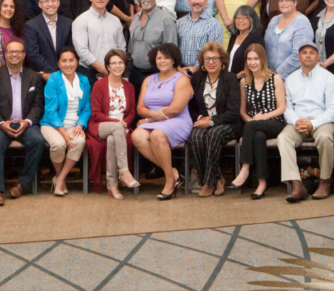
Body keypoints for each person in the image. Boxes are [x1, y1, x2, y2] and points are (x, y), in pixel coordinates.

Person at [0, 39, 46, 202]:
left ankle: (22, 185)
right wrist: (1, 124)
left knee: (38, 141)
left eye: (18, 51)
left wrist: (28, 122)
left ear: (24, 55)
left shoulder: (34, 77)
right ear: (5, 55)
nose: (15, 54)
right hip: (2, 124)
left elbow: (38, 106)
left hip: (26, 124)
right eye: (11, 51)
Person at [280, 42, 334, 202]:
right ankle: (296, 184)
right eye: (304, 52)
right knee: (283, 138)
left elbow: (333, 109)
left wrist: (313, 123)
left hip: (322, 120)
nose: (308, 55)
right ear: (299, 57)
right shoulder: (290, 79)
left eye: (312, 53)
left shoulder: (328, 78)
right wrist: (296, 121)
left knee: (325, 137)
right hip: (298, 121)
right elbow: (287, 107)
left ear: (318, 57)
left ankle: (325, 181)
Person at [132, 44, 194, 200]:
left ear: (174, 60)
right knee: (137, 135)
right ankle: (173, 173)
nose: (162, 61)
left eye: (166, 57)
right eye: (159, 57)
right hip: (155, 120)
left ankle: (168, 182)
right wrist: (151, 116)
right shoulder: (149, 79)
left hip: (177, 120)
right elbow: (140, 107)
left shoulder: (182, 79)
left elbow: (176, 108)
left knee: (157, 135)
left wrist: (149, 118)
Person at [227, 43, 286, 198]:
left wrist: (263, 117)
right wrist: (250, 120)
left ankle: (245, 168)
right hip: (253, 125)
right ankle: (262, 183)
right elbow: (242, 111)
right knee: (258, 136)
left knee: (253, 127)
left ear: (263, 60)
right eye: (249, 59)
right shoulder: (244, 82)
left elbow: (282, 108)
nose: (252, 62)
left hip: (275, 122)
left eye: (256, 58)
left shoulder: (275, 78)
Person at [187, 42, 241, 197]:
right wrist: (200, 118)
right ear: (202, 62)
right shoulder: (197, 78)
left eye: (215, 58)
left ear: (222, 61)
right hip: (201, 122)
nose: (211, 62)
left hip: (227, 124)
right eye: (207, 59)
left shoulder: (230, 79)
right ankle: (215, 179)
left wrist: (211, 121)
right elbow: (189, 107)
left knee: (213, 134)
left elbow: (233, 111)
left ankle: (208, 183)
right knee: (196, 136)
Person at [86, 49, 140, 198]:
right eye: (113, 63)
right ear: (108, 66)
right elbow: (96, 113)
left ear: (124, 65)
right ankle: (124, 171)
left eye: (120, 63)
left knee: (112, 139)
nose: (117, 66)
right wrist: (116, 122)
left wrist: (125, 122)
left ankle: (112, 185)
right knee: (115, 130)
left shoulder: (128, 87)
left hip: (121, 127)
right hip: (100, 125)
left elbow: (132, 113)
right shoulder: (99, 85)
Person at [40, 46, 92, 196]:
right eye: (64, 61)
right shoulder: (53, 80)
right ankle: (59, 176)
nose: (68, 64)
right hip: (52, 124)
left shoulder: (84, 80)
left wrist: (80, 125)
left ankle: (60, 179)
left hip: (74, 123)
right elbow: (50, 110)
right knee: (58, 144)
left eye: (71, 60)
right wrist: (62, 131)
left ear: (77, 62)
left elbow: (87, 107)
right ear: (58, 63)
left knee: (79, 141)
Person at [128, 0, 177, 94]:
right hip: (135, 75)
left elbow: (171, 52)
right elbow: (131, 48)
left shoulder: (166, 20)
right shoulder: (135, 18)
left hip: (156, 75)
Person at [72, 0, 126, 85]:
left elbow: (121, 47)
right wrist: (102, 69)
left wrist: (115, 68)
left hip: (114, 73)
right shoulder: (81, 21)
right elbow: (82, 51)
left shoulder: (115, 20)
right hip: (90, 74)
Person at [264, 0, 314, 80]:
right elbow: (266, 48)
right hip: (269, 76)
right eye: (281, 0)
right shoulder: (274, 20)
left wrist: (276, 74)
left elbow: (299, 55)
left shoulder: (302, 23)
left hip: (293, 79)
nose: (284, 3)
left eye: (287, 0)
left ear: (295, 2)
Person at [23, 0, 73, 81]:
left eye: (53, 1)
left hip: (66, 75)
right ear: (40, 4)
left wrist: (63, 70)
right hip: (42, 77)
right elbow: (33, 54)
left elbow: (71, 50)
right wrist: (54, 73)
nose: (50, 4)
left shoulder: (68, 23)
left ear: (58, 3)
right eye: (46, 1)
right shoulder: (31, 26)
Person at [177, 0, 223, 73]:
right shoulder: (179, 23)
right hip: (181, 72)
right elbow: (174, 48)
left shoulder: (214, 25)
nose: (197, 1)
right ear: (189, 0)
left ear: (206, 0)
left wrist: (195, 68)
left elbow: (214, 52)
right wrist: (179, 69)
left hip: (203, 72)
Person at [227, 5, 265, 77]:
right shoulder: (234, 36)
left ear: (252, 20)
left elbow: (258, 62)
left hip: (246, 80)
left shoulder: (256, 38)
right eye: (238, 18)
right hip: (231, 79)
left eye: (244, 18)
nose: (240, 21)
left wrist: (238, 76)